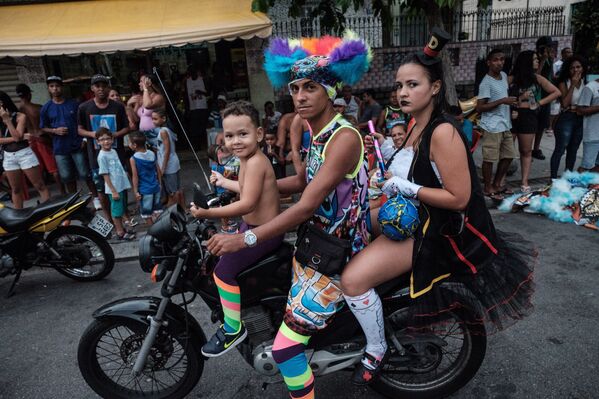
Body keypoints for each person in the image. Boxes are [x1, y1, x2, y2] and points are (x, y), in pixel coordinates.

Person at [340, 27, 535, 386]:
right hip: (408, 219)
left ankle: (377, 346)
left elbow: (459, 198)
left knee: (351, 280)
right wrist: (386, 154)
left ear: (434, 88)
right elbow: (414, 167)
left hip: (432, 233)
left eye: (412, 85)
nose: (402, 92)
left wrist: (408, 188)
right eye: (399, 86)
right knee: (344, 232)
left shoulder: (443, 131)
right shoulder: (414, 124)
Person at [208, 33, 372, 398]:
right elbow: (302, 180)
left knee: (284, 350)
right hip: (315, 243)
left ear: (329, 91)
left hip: (337, 251)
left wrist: (247, 236)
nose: (300, 96)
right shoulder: (319, 133)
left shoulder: (343, 137)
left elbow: (306, 204)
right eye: (295, 88)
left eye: (310, 87)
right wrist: (246, 185)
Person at [189, 101, 284, 357]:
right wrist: (223, 182)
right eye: (230, 136)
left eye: (243, 134)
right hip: (252, 226)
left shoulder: (254, 162)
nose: (236, 141)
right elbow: (246, 189)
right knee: (220, 254)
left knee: (222, 273)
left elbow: (248, 202)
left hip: (263, 232)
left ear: (260, 134)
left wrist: (207, 213)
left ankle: (233, 328)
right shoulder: (247, 160)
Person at [78, 74, 130, 222]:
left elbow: (127, 128)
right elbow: (79, 130)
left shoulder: (118, 106)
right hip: (96, 156)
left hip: (117, 155)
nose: (101, 88)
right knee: (101, 190)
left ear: (108, 87)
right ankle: (109, 220)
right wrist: (93, 134)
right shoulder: (84, 107)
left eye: (103, 85)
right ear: (92, 88)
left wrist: (114, 134)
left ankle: (122, 217)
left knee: (121, 188)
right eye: (97, 86)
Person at [40, 76, 98, 203]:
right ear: (49, 89)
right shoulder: (46, 108)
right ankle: (74, 201)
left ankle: (96, 198)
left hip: (77, 144)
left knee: (85, 173)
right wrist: (55, 131)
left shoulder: (74, 104)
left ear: (62, 87)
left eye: (57, 85)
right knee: (66, 176)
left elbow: (83, 122)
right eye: (52, 86)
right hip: (60, 147)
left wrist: (83, 139)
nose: (55, 88)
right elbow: (43, 128)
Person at [509, 51, 560, 193]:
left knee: (526, 150)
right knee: (506, 151)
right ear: (526, 62)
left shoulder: (537, 78)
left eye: (537, 59)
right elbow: (504, 98)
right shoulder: (511, 79)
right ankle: (500, 180)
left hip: (528, 116)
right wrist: (520, 98)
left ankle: (524, 181)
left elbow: (556, 92)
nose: (537, 61)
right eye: (535, 59)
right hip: (511, 115)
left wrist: (539, 103)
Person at [475, 49, 518, 200]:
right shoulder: (486, 83)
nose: (499, 62)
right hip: (492, 126)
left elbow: (504, 97)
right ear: (489, 62)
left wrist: (511, 107)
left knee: (509, 156)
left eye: (502, 59)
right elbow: (479, 107)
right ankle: (488, 187)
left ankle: (497, 183)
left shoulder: (504, 76)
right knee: (490, 158)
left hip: (505, 124)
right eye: (496, 60)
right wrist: (501, 101)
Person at [0, 91, 50, 208]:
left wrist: (7, 120)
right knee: (16, 189)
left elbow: (17, 138)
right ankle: (18, 219)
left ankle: (50, 213)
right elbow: (6, 139)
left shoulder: (20, 116)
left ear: (4, 103)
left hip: (24, 154)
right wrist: (20, 137)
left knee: (39, 185)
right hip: (9, 156)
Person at [16, 83, 64, 195]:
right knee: (53, 169)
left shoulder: (18, 110)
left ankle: (44, 193)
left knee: (37, 169)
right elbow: (47, 125)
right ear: (28, 95)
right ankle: (62, 192)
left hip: (29, 141)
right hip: (41, 139)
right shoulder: (38, 108)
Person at [550, 56, 586, 179]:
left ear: (583, 68)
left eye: (578, 67)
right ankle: (553, 179)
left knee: (573, 149)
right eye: (572, 68)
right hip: (567, 117)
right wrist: (573, 85)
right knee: (560, 149)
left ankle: (567, 177)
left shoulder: (586, 82)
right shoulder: (564, 82)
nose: (576, 70)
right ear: (568, 70)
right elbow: (565, 103)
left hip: (581, 118)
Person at [96, 128, 134, 240]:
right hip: (114, 188)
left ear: (112, 139)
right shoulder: (102, 156)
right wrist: (113, 190)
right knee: (116, 211)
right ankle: (120, 232)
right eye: (102, 140)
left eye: (108, 138)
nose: (106, 142)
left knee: (120, 208)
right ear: (97, 142)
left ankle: (123, 228)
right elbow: (105, 174)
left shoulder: (113, 151)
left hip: (120, 185)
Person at [152, 108, 183, 208]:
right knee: (177, 189)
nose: (153, 121)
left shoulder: (163, 132)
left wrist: (163, 167)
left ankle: (176, 209)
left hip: (169, 165)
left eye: (155, 119)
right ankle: (183, 208)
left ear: (163, 119)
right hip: (173, 163)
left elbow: (167, 150)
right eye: (152, 119)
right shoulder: (166, 130)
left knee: (173, 191)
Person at [129, 132, 162, 225]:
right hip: (155, 187)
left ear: (134, 145)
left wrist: (135, 191)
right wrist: (160, 184)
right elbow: (158, 170)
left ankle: (153, 231)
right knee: (157, 211)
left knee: (147, 213)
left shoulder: (133, 159)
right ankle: (161, 228)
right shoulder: (152, 154)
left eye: (130, 143)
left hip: (144, 189)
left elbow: (135, 176)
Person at [532, 36, 555, 160]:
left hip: (547, 96)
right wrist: (543, 59)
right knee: (532, 124)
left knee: (541, 125)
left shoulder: (550, 60)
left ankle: (536, 148)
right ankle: (526, 148)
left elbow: (550, 76)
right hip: (536, 95)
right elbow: (535, 76)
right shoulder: (536, 58)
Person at [576, 77, 599, 173]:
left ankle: (593, 186)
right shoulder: (590, 87)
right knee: (586, 167)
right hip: (593, 135)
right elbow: (580, 110)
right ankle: (579, 185)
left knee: (597, 166)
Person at [185, 64, 209, 150]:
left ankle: (204, 145)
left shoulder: (202, 79)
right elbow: (186, 96)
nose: (192, 73)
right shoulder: (187, 81)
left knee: (202, 127)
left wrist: (201, 92)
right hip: (193, 107)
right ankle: (197, 146)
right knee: (195, 128)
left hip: (202, 106)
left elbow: (208, 93)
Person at [139, 74, 165, 148]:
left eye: (141, 81)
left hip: (154, 132)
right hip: (143, 133)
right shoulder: (144, 96)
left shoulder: (158, 97)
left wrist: (145, 89)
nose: (139, 84)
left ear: (149, 83)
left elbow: (147, 105)